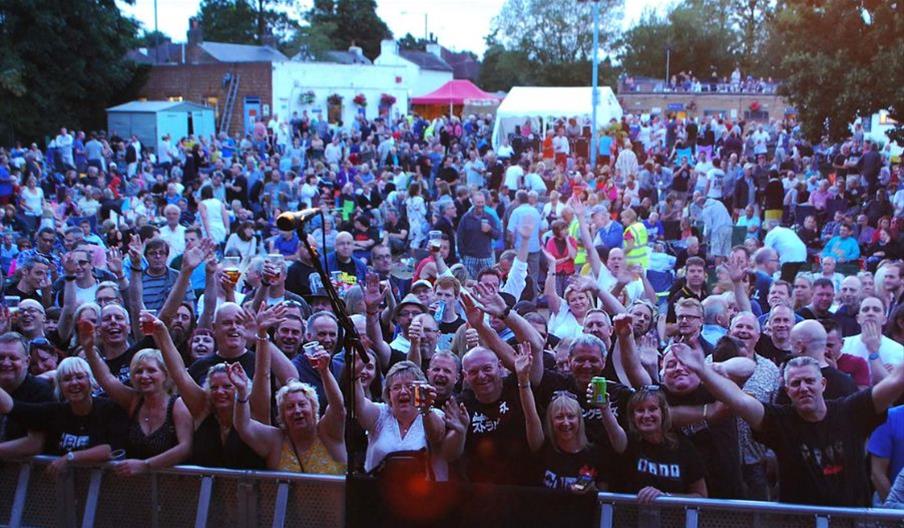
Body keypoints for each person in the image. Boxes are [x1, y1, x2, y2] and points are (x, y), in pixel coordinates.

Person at [674, 343, 904, 506]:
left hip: (850, 522)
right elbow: (739, 400)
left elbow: (897, 381)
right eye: (795, 383)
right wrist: (702, 370)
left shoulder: (851, 411)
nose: (803, 388)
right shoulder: (779, 421)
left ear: (822, 383)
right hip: (797, 521)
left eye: (809, 381)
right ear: (787, 390)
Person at [81, 321, 193, 475]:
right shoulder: (134, 401)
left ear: (165, 374)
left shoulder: (177, 405)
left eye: (151, 370)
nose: (144, 376)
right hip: (135, 488)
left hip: (171, 488)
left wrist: (146, 465)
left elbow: (185, 448)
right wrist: (89, 349)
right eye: (138, 371)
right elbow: (107, 379)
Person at [227, 346, 346, 474]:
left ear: (313, 408)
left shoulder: (328, 432)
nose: (297, 410)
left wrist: (324, 371)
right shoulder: (275, 440)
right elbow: (243, 426)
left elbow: (337, 407)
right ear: (282, 414)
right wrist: (242, 391)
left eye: (302, 404)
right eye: (289, 407)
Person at [0, 356, 128, 475]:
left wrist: (70, 458)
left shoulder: (109, 409)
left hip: (104, 490)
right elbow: (13, 407)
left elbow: (110, 449)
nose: (74, 383)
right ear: (60, 386)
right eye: (67, 379)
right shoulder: (54, 412)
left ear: (91, 381)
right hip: (63, 490)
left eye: (79, 377)